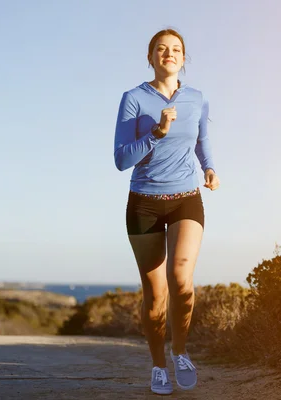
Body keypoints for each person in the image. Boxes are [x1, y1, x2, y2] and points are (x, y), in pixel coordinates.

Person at [113, 28, 220, 395]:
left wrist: (209, 168)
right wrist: (157, 133)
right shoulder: (134, 99)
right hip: (144, 203)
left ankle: (181, 352)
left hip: (186, 198)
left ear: (184, 59)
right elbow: (121, 159)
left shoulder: (197, 99)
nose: (168, 54)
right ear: (151, 57)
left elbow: (202, 142)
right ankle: (158, 366)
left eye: (175, 49)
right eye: (161, 49)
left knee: (181, 279)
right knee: (156, 295)